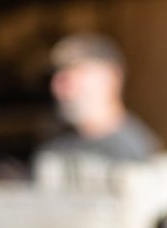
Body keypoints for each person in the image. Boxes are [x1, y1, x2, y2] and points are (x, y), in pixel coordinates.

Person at [36, 33, 158, 185]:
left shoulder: (132, 150)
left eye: (78, 70)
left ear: (112, 76)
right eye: (58, 74)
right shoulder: (55, 148)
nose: (63, 86)